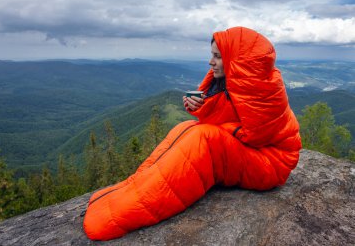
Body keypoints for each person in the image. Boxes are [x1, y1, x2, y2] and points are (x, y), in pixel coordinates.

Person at [83, 26, 302, 241]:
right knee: (185, 127)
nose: (211, 61)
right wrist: (198, 106)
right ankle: (135, 186)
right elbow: (230, 120)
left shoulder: (264, 90)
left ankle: (123, 213)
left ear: (236, 60)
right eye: (212, 55)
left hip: (272, 161)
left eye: (217, 56)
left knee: (203, 139)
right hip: (255, 153)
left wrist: (210, 123)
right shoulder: (238, 81)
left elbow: (255, 137)